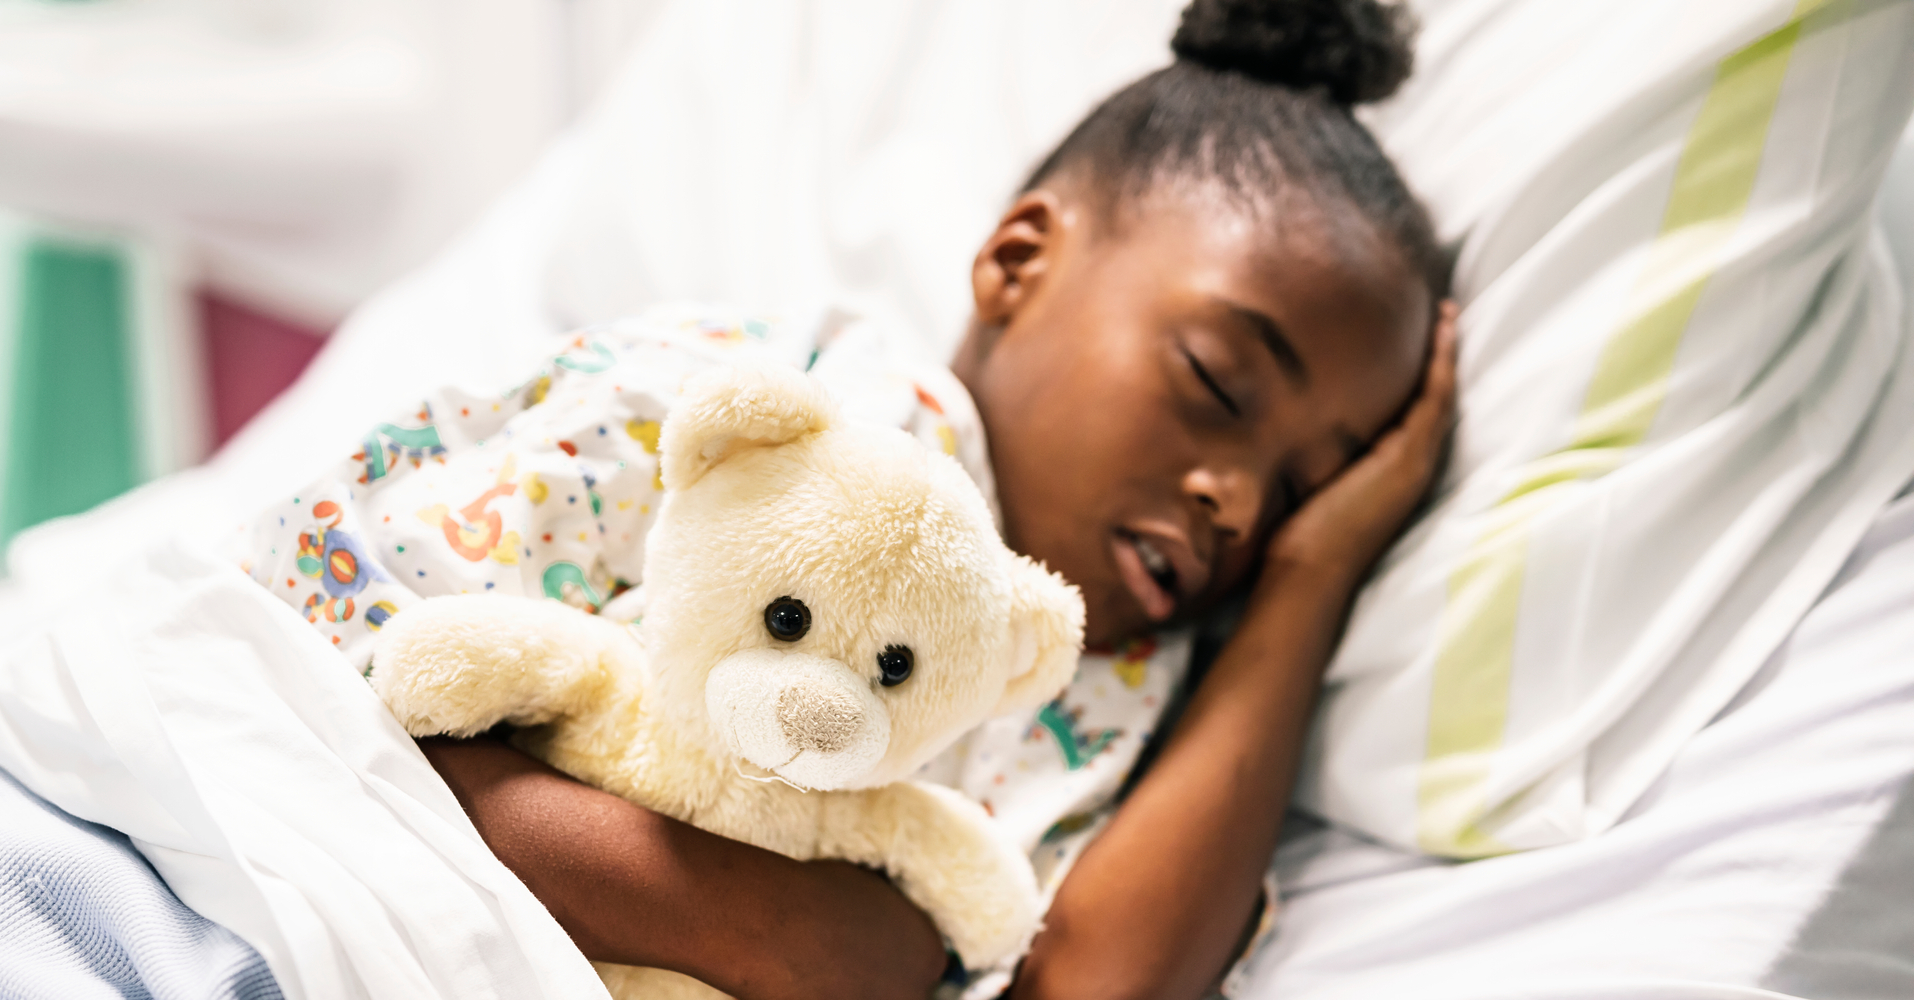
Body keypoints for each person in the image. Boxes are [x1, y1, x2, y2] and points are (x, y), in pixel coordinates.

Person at [411, 1, 1458, 997]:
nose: (1235, 502)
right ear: (1018, 262)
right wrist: (770, 928)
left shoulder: (1124, 695)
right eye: (1217, 384)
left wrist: (1307, 577)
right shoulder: (741, 416)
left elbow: (1096, 982)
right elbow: (353, 690)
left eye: (1298, 486)